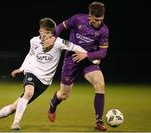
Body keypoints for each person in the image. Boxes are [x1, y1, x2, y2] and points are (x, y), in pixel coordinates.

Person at [0, 17, 95, 130]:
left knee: (13, 108)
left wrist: (90, 56)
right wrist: (22, 68)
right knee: (28, 92)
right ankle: (16, 124)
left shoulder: (59, 42)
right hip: (32, 72)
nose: (47, 35)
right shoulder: (33, 41)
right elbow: (30, 55)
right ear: (40, 31)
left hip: (44, 82)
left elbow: (76, 47)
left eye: (50, 33)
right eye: (45, 32)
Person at [47, 2, 109, 131]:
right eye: (96, 20)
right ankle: (53, 104)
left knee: (100, 84)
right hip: (71, 60)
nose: (99, 23)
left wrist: (86, 55)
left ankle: (98, 121)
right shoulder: (77, 19)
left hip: (88, 61)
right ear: (89, 16)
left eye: (101, 20)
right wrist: (53, 38)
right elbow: (60, 27)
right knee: (64, 95)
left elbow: (103, 53)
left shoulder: (104, 30)